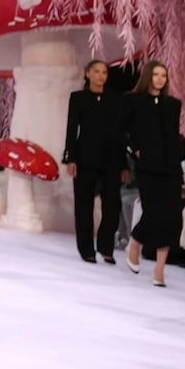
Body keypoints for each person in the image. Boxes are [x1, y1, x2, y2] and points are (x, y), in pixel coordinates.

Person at [129, 59, 185, 285]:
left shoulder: (173, 104)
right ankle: (136, 242)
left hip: (171, 166)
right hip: (148, 166)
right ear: (148, 76)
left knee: (172, 217)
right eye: (156, 74)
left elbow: (173, 133)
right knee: (153, 212)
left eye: (163, 75)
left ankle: (159, 269)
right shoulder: (134, 101)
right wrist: (134, 149)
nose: (160, 79)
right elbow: (124, 131)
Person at [65, 58, 129, 265]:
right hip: (85, 157)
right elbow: (72, 129)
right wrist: (70, 158)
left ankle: (105, 246)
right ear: (87, 74)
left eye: (104, 72)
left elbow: (120, 133)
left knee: (113, 205)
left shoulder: (116, 99)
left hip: (111, 159)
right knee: (83, 205)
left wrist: (124, 164)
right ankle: (86, 249)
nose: (101, 76)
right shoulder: (78, 98)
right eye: (97, 71)